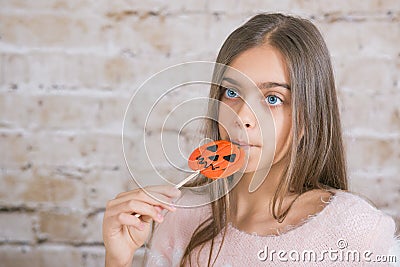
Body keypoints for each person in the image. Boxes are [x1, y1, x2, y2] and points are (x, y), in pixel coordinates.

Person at [103, 13, 399, 266]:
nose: (241, 116)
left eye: (272, 98)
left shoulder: (357, 231)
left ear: (309, 116)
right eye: (232, 92)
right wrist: (118, 259)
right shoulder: (178, 217)